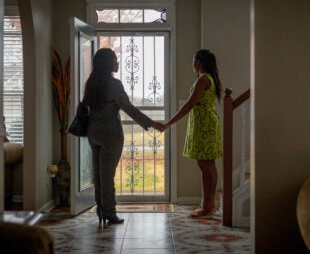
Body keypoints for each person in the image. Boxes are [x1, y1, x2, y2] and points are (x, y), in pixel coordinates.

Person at [82, 48, 162, 226]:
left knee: (98, 174)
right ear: (108, 63)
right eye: (115, 60)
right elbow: (129, 109)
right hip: (110, 134)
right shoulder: (114, 84)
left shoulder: (91, 83)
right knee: (107, 175)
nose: (117, 63)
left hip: (93, 132)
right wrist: (152, 124)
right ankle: (110, 213)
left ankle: (101, 209)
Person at [159, 49, 223, 218]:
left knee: (206, 165)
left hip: (205, 125)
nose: (192, 64)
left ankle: (207, 206)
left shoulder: (203, 80)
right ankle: (209, 204)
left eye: (193, 60)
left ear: (199, 62)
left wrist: (168, 123)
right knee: (207, 164)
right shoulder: (209, 78)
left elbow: (189, 105)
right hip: (207, 123)